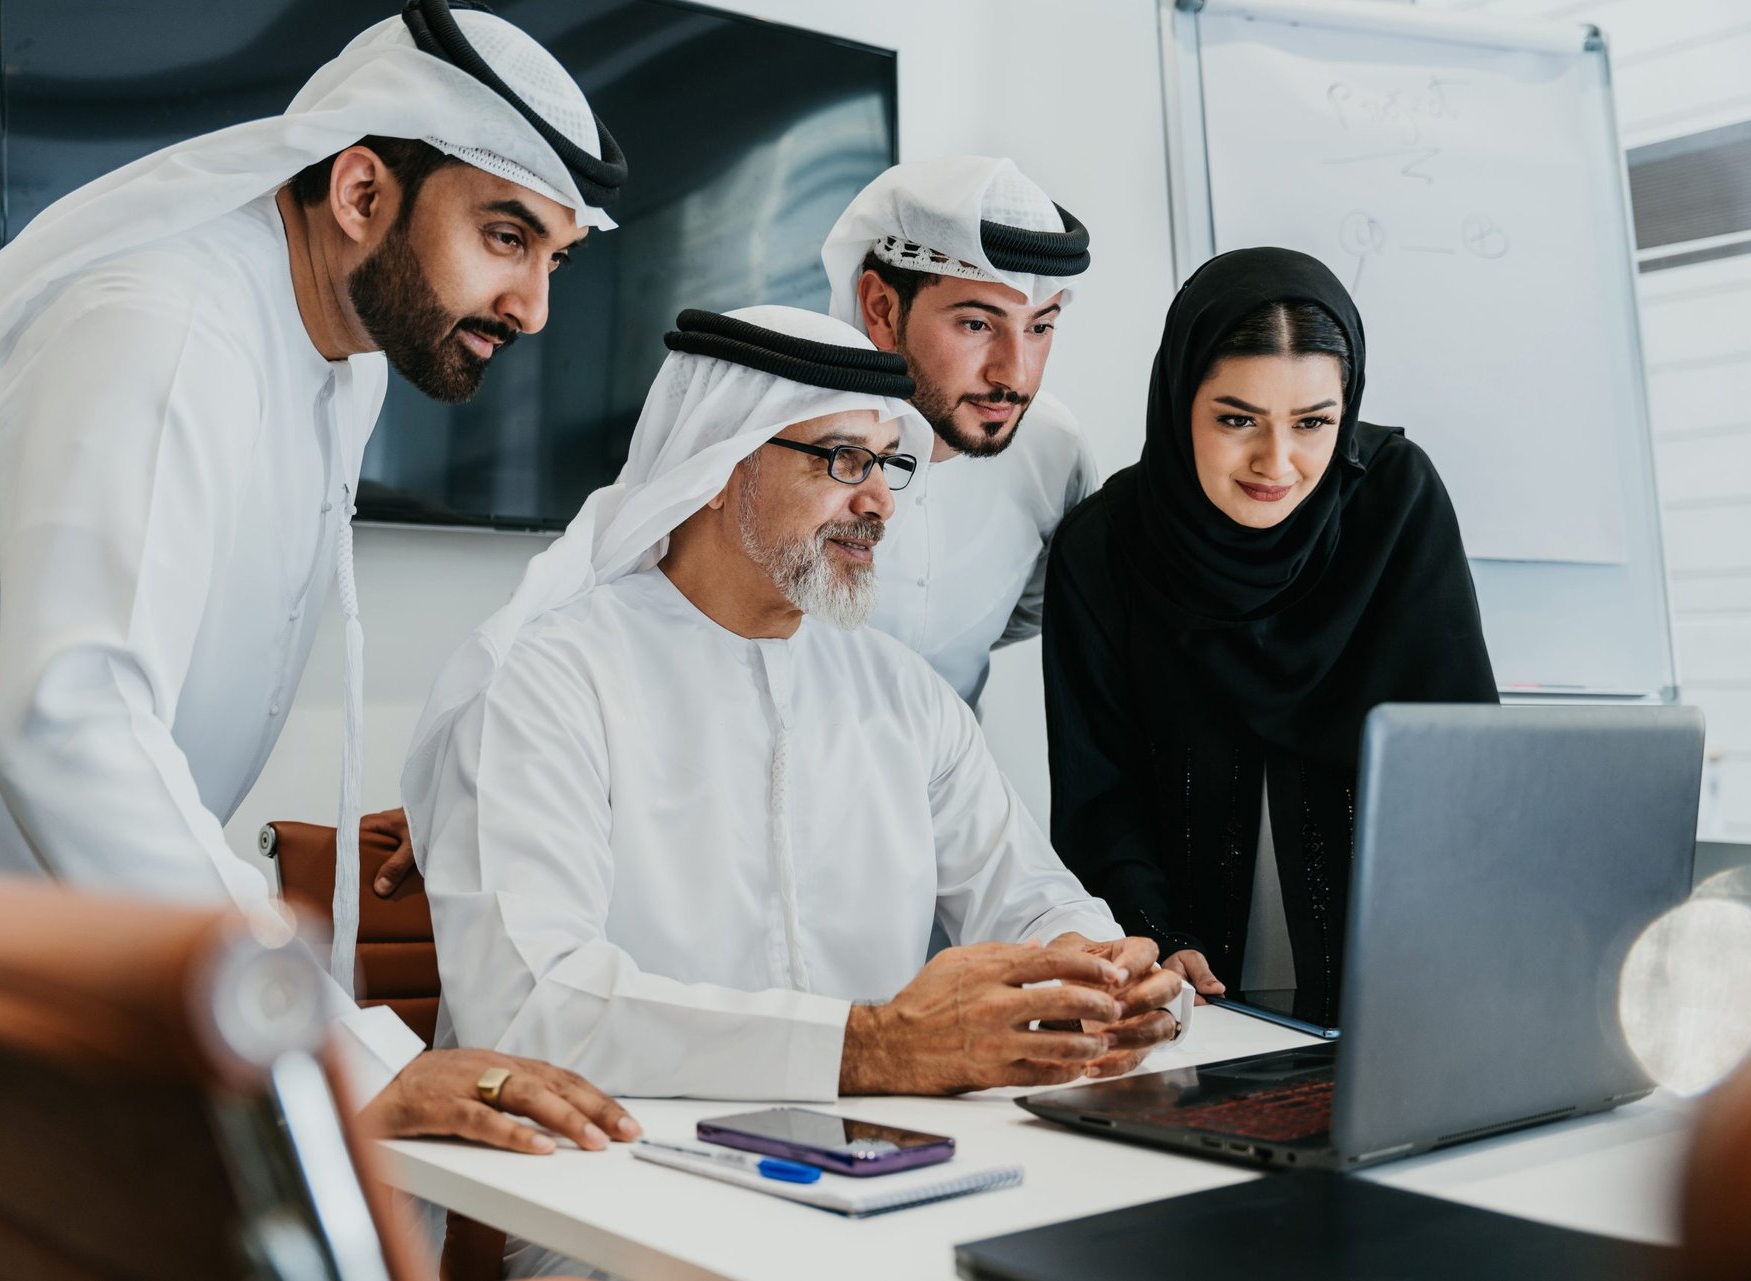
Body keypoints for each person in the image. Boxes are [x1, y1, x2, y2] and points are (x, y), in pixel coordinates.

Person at [0, 1, 636, 1153]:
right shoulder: (165, 323)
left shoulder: (342, 352)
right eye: (506, 237)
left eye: (555, 259)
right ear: (362, 192)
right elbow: (75, 724)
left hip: (42, 949)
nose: (532, 308)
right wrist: (338, 1051)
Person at [403, 306, 1193, 1104]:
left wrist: (1098, 969)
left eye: (890, 464)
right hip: (616, 1175)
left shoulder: (902, 694)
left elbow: (1031, 894)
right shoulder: (552, 682)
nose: (881, 501)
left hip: (888, 1157)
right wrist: (875, 1048)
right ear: (717, 467)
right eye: (844, 460)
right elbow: (534, 1005)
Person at [1044, 247, 1498, 1026]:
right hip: (1185, 992)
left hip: (1400, 982)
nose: (1277, 462)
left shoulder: (1395, 504)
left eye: (1315, 422)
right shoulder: (1104, 547)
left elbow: (1461, 757)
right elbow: (1097, 797)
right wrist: (1154, 934)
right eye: (1236, 419)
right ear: (1180, 398)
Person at [820, 157, 1100, 712]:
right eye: (977, 325)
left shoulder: (1056, 451)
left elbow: (1034, 610)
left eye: (1039, 327)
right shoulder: (781, 444)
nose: (1014, 376)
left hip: (950, 791)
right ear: (880, 308)